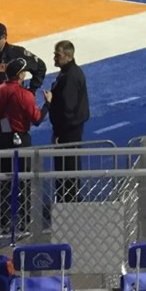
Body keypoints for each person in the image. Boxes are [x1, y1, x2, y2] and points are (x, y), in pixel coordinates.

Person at [45, 41, 90, 202]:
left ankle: (69, 204)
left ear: (69, 56)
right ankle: (69, 201)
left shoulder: (70, 77)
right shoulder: (69, 72)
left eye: (58, 55)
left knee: (67, 169)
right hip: (70, 129)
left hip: (68, 132)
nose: (55, 58)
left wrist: (59, 132)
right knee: (68, 168)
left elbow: (68, 109)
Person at [0, 56, 43, 152]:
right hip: (20, 140)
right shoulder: (25, 94)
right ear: (20, 75)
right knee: (22, 166)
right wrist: (48, 104)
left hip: (1, 138)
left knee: (3, 166)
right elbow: (37, 120)